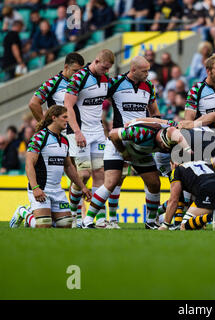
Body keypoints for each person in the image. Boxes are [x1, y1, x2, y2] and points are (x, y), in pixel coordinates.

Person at [83, 56, 161, 229]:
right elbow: (96, 98)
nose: (148, 74)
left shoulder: (149, 87)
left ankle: (150, 221)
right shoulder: (115, 83)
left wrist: (155, 125)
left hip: (141, 143)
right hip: (118, 140)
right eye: (145, 71)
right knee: (110, 182)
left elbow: (155, 111)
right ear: (133, 70)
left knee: (155, 183)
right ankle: (88, 220)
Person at [9, 105, 91, 229]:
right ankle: (23, 211)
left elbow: (68, 167)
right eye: (64, 117)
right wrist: (35, 187)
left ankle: (43, 214)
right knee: (43, 225)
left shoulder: (64, 140)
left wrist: (83, 187)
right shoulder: (39, 137)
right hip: (40, 188)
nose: (67, 120)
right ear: (54, 118)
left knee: (65, 225)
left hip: (57, 191)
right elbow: (29, 164)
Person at [64, 49, 114, 229]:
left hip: (98, 131)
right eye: (105, 68)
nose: (106, 71)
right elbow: (68, 105)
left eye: (109, 69)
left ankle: (99, 220)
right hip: (80, 131)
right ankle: (73, 214)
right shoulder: (79, 77)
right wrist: (77, 132)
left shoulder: (106, 79)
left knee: (100, 174)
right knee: (83, 175)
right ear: (97, 60)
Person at [29, 52, 85, 122]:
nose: (78, 74)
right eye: (75, 71)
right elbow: (33, 103)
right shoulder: (52, 83)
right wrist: (44, 125)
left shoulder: (82, 80)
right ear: (66, 67)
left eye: (80, 71)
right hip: (62, 131)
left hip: (82, 129)